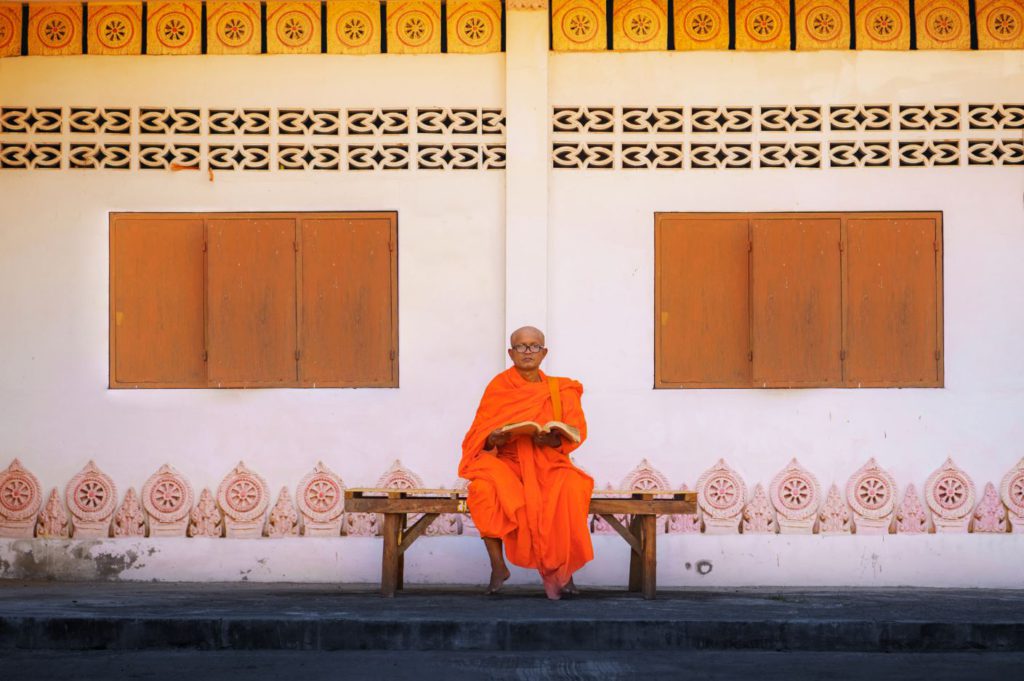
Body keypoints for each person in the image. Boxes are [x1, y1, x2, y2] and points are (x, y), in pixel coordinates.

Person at [458, 326, 594, 600]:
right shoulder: (499, 386)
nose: (528, 351)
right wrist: (493, 438)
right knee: (482, 490)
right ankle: (498, 567)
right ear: (511, 353)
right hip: (508, 463)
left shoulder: (561, 389)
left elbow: (576, 431)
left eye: (534, 346)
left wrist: (553, 441)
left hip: (549, 463)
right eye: (521, 346)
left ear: (544, 352)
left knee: (570, 488)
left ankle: (564, 572)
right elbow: (478, 433)